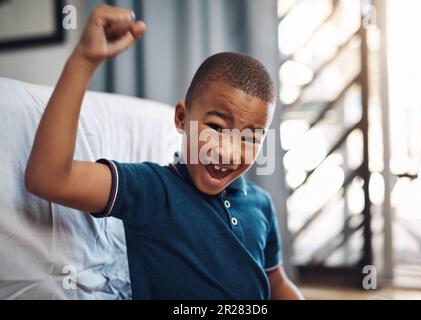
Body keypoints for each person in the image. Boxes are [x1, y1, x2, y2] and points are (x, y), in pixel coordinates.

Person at [25, 4, 303, 300]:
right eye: (217, 127)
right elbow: (49, 177)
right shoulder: (152, 189)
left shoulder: (261, 204)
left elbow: (276, 283)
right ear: (181, 118)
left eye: (250, 138)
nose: (229, 152)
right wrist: (83, 61)